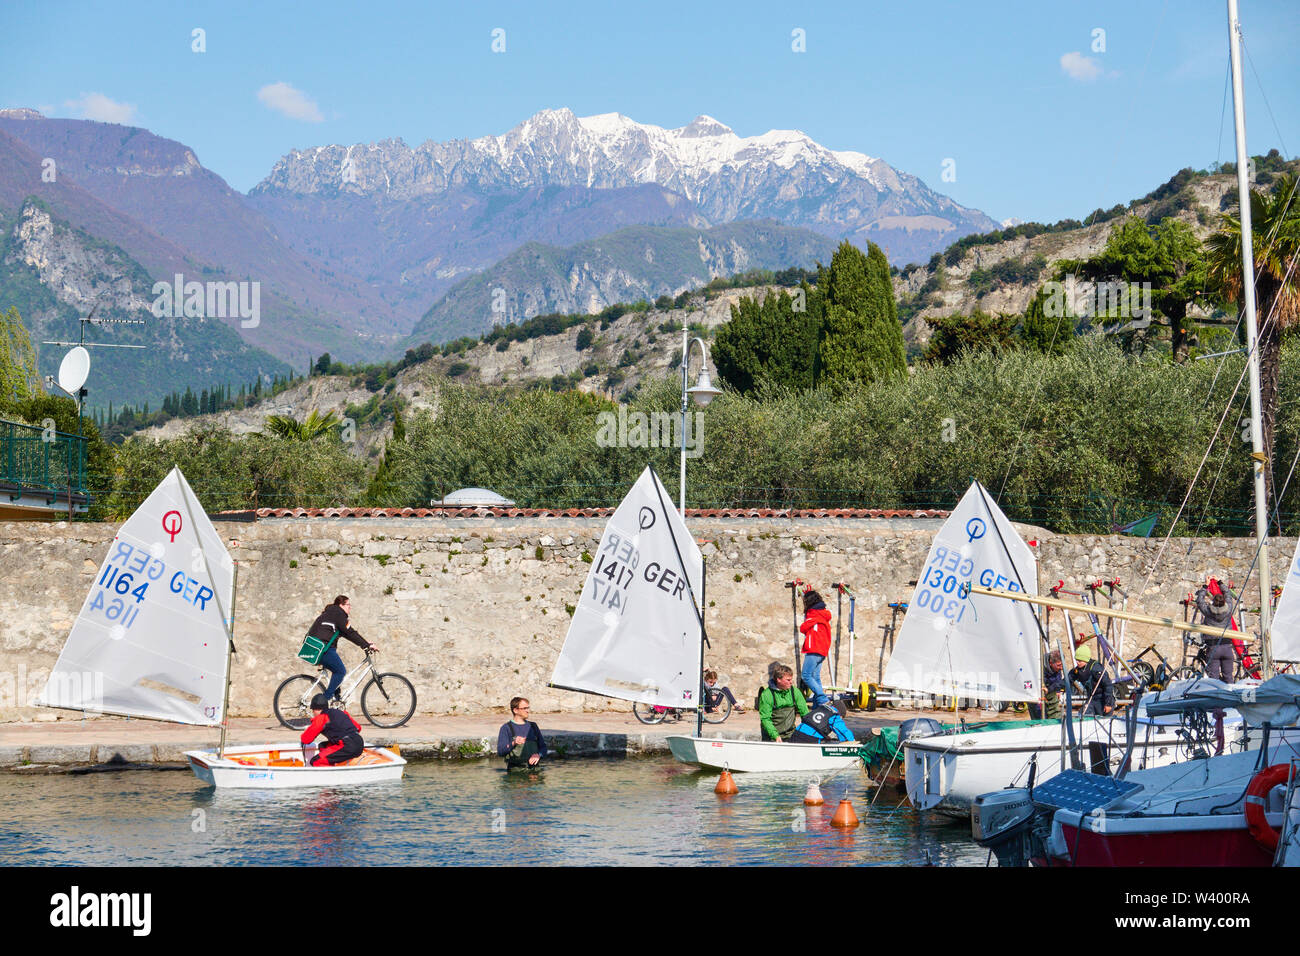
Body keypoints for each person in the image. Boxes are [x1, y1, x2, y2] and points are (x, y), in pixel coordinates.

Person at [306, 595, 376, 702]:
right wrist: (366, 646)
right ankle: (323, 701)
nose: (350, 607)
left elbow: (347, 634)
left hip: (318, 647)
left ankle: (336, 703)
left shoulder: (332, 613)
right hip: (323, 648)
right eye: (348, 605)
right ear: (341, 605)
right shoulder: (338, 614)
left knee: (336, 674)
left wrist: (365, 643)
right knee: (340, 672)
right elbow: (350, 632)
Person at [1070, 644, 1115, 774]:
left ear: (1085, 659)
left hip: (1103, 699)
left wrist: (1108, 703)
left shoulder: (1096, 668)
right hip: (1091, 698)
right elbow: (1067, 679)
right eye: (1076, 660)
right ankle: (1083, 739)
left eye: (1079, 660)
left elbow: (1108, 685)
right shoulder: (1078, 671)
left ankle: (1104, 745)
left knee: (1103, 724)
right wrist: (1053, 689)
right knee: (1083, 715)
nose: (1077, 662)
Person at [300, 693, 364, 766]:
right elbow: (358, 728)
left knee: (316, 761)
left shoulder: (322, 717)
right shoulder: (341, 712)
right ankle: (333, 766)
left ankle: (332, 775)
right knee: (323, 746)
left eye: (312, 711)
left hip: (347, 746)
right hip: (359, 742)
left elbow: (306, 739)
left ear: (315, 709)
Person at [1195, 578, 1238, 682]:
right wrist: (1220, 583)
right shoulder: (1228, 610)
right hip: (1227, 646)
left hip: (1213, 647)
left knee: (1214, 680)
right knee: (1228, 678)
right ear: (1224, 602)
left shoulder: (1208, 611)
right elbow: (1228, 594)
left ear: (1213, 602)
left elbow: (1200, 600)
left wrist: (1205, 586)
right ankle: (1230, 696)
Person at [757, 664, 810, 741]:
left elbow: (805, 714)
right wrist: (775, 736)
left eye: (791, 679)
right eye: (788, 680)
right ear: (778, 679)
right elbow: (765, 719)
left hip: (790, 734)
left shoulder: (795, 691)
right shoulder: (767, 695)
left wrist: (809, 732)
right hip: (771, 736)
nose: (791, 682)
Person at [799, 589, 833, 707]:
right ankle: (818, 705)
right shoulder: (823, 614)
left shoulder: (813, 614)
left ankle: (823, 699)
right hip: (822, 650)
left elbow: (803, 628)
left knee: (806, 675)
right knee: (815, 677)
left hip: (814, 648)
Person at [496, 696, 547, 770]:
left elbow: (543, 747)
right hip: (515, 774)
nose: (528, 711)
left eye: (528, 708)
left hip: (534, 772)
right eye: (524, 708)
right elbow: (500, 752)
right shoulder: (506, 728)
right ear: (515, 710)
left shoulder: (533, 726)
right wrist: (514, 743)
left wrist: (539, 755)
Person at [787, 700, 855, 744]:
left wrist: (825, 736)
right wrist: (852, 742)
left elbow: (814, 725)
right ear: (840, 714)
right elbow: (843, 731)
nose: (841, 720)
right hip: (809, 739)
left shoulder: (821, 708)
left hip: (796, 733)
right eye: (842, 718)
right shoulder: (835, 715)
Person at [1028, 650, 1066, 720]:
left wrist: (1057, 690)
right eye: (1059, 665)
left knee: (1055, 716)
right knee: (1039, 717)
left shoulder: (1057, 668)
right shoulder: (1039, 665)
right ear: (1051, 663)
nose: (1061, 668)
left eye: (1062, 665)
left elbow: (1058, 679)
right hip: (1037, 694)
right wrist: (1041, 689)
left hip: (1051, 692)